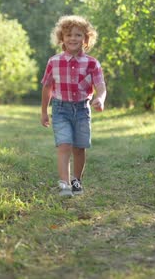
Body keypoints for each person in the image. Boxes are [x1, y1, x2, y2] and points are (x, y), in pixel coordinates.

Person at [40, 15, 107, 197]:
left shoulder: (92, 63)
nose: (73, 38)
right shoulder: (54, 62)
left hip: (82, 109)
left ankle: (76, 181)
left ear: (86, 39)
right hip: (61, 109)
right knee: (64, 144)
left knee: (79, 147)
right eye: (68, 35)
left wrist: (100, 98)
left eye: (78, 35)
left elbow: (101, 86)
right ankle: (64, 184)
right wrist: (44, 111)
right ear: (62, 38)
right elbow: (47, 87)